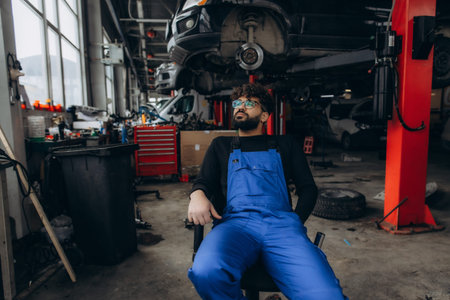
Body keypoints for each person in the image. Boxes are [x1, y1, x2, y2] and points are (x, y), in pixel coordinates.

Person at [187, 83, 346, 299]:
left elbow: (308, 189)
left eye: (249, 103)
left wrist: (295, 222)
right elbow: (203, 181)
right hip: (235, 225)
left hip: (282, 226)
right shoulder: (221, 146)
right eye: (237, 103)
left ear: (264, 116)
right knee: (206, 272)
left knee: (327, 295)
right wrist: (197, 194)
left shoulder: (285, 144)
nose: (240, 107)